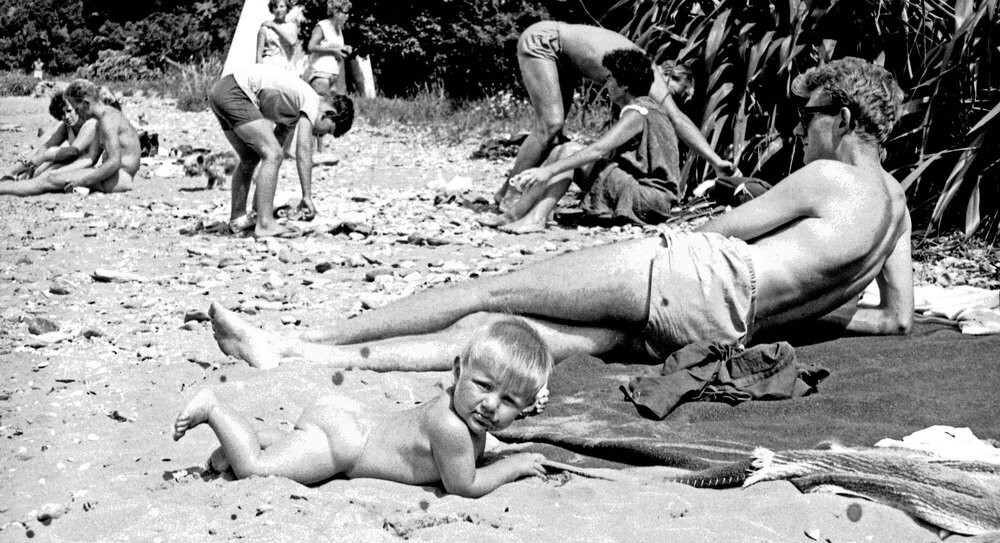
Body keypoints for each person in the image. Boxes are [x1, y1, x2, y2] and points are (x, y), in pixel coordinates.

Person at [210, 57, 913, 373]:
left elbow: (721, 235)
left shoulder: (829, 178)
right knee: (511, 337)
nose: (804, 128)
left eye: (811, 115)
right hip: (720, 328)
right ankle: (321, 359)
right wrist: (782, 303)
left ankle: (306, 344)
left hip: (683, 275)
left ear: (842, 118)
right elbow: (895, 321)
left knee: (492, 295)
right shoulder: (897, 209)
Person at [174, 318, 553, 498]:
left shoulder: (455, 399)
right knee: (256, 470)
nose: (490, 405)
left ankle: (239, 442)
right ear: (457, 371)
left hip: (346, 419)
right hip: (347, 447)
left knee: (296, 444)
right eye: (484, 387)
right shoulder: (453, 429)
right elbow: (464, 486)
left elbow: (492, 400)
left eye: (508, 401)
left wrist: (525, 402)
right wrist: (511, 466)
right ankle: (214, 409)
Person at [494, 20, 736, 207]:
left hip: (561, 54)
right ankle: (509, 194)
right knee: (550, 125)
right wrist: (715, 161)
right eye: (678, 93)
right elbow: (678, 120)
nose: (669, 100)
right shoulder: (650, 76)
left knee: (554, 135)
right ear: (669, 75)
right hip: (544, 41)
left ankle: (510, 192)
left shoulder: (635, 72)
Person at [483, 48, 683, 234]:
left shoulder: (637, 113)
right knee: (561, 151)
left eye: (611, 78)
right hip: (655, 200)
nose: (607, 84)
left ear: (624, 86)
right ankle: (515, 215)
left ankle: (535, 217)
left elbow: (598, 150)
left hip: (647, 199)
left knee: (569, 151)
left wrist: (547, 171)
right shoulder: (652, 109)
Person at [207, 63, 354, 237]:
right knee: (273, 154)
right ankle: (265, 224)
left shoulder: (293, 111)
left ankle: (238, 221)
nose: (322, 135)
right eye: (328, 130)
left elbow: (269, 157)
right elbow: (303, 150)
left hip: (220, 92)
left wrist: (257, 208)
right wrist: (307, 196)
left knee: (251, 158)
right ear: (328, 113)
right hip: (234, 92)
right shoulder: (312, 101)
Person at [0, 79, 140, 196]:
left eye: (77, 110)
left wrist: (83, 180)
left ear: (86, 103)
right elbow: (91, 157)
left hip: (117, 179)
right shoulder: (102, 118)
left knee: (47, 180)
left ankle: (5, 188)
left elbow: (114, 162)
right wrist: (64, 172)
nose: (79, 115)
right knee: (50, 176)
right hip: (112, 176)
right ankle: (8, 184)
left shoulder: (107, 120)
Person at [306, 0, 352, 97]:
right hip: (321, 73)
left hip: (334, 74)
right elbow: (311, 46)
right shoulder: (322, 25)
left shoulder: (339, 29)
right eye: (345, 13)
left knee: (333, 108)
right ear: (336, 12)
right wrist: (333, 51)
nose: (347, 16)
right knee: (323, 107)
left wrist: (345, 48)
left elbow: (334, 47)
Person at [256, 0, 299, 71]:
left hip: (286, 66)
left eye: (281, 6)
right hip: (269, 65)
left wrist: (274, 26)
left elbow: (292, 41)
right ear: (272, 9)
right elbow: (259, 53)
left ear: (287, 8)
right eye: (275, 7)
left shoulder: (291, 26)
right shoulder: (265, 28)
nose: (278, 10)